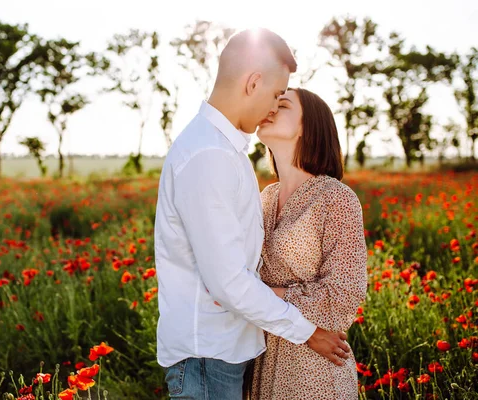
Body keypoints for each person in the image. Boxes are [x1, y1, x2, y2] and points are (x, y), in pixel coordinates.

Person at [154, 29, 350, 400]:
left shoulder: (226, 151)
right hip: (208, 357)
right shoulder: (209, 156)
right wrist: (308, 331)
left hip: (226, 356)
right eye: (277, 94)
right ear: (253, 82)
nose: (274, 106)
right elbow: (228, 283)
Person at [247, 88, 368, 399]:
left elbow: (344, 295)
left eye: (282, 105)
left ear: (308, 126)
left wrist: (254, 297)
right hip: (261, 361)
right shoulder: (266, 197)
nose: (269, 109)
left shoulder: (336, 198)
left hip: (313, 369)